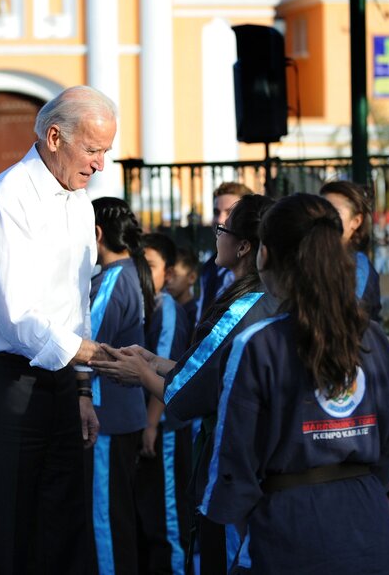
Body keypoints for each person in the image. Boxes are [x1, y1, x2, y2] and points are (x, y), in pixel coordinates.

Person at [0, 85, 117, 574]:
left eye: (106, 152)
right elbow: (17, 316)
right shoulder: (7, 200)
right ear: (53, 137)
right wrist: (97, 357)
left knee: (65, 527)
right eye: (92, 150)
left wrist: (83, 390)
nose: (100, 165)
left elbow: (77, 303)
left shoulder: (81, 203)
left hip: (62, 379)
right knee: (9, 532)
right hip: (3, 383)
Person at [199, 193, 389, 573]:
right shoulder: (373, 338)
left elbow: (234, 465)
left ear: (265, 255)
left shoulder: (258, 344)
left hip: (288, 531)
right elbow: (388, 447)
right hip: (368, 528)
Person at [95, 194, 278, 574]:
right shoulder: (265, 296)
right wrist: (153, 362)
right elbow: (211, 369)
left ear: (244, 246)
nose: (217, 234)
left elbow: (193, 392)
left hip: (233, 464)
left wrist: (142, 375)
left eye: (223, 228)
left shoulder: (242, 307)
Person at [84, 197, 150, 574]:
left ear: (97, 233)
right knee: (118, 517)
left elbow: (89, 345)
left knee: (106, 522)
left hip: (107, 418)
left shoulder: (112, 278)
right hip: (120, 415)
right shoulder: (130, 271)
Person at [137, 232, 193, 575]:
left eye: (151, 265)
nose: (142, 270)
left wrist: (151, 423)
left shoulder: (166, 310)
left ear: (168, 274)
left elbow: (167, 372)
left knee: (168, 522)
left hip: (164, 432)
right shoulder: (143, 304)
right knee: (147, 515)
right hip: (147, 428)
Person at [320, 180, 383, 323]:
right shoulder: (306, 256)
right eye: (320, 209)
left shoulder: (358, 266)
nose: (324, 217)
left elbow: (343, 317)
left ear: (356, 221)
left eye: (334, 212)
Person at [196, 182, 253, 324]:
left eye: (230, 213)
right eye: (216, 212)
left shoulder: (254, 272)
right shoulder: (209, 267)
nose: (220, 220)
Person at [165, 246, 200, 322]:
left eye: (174, 275)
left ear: (192, 278)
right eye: (166, 274)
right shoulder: (164, 308)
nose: (168, 280)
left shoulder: (196, 316)